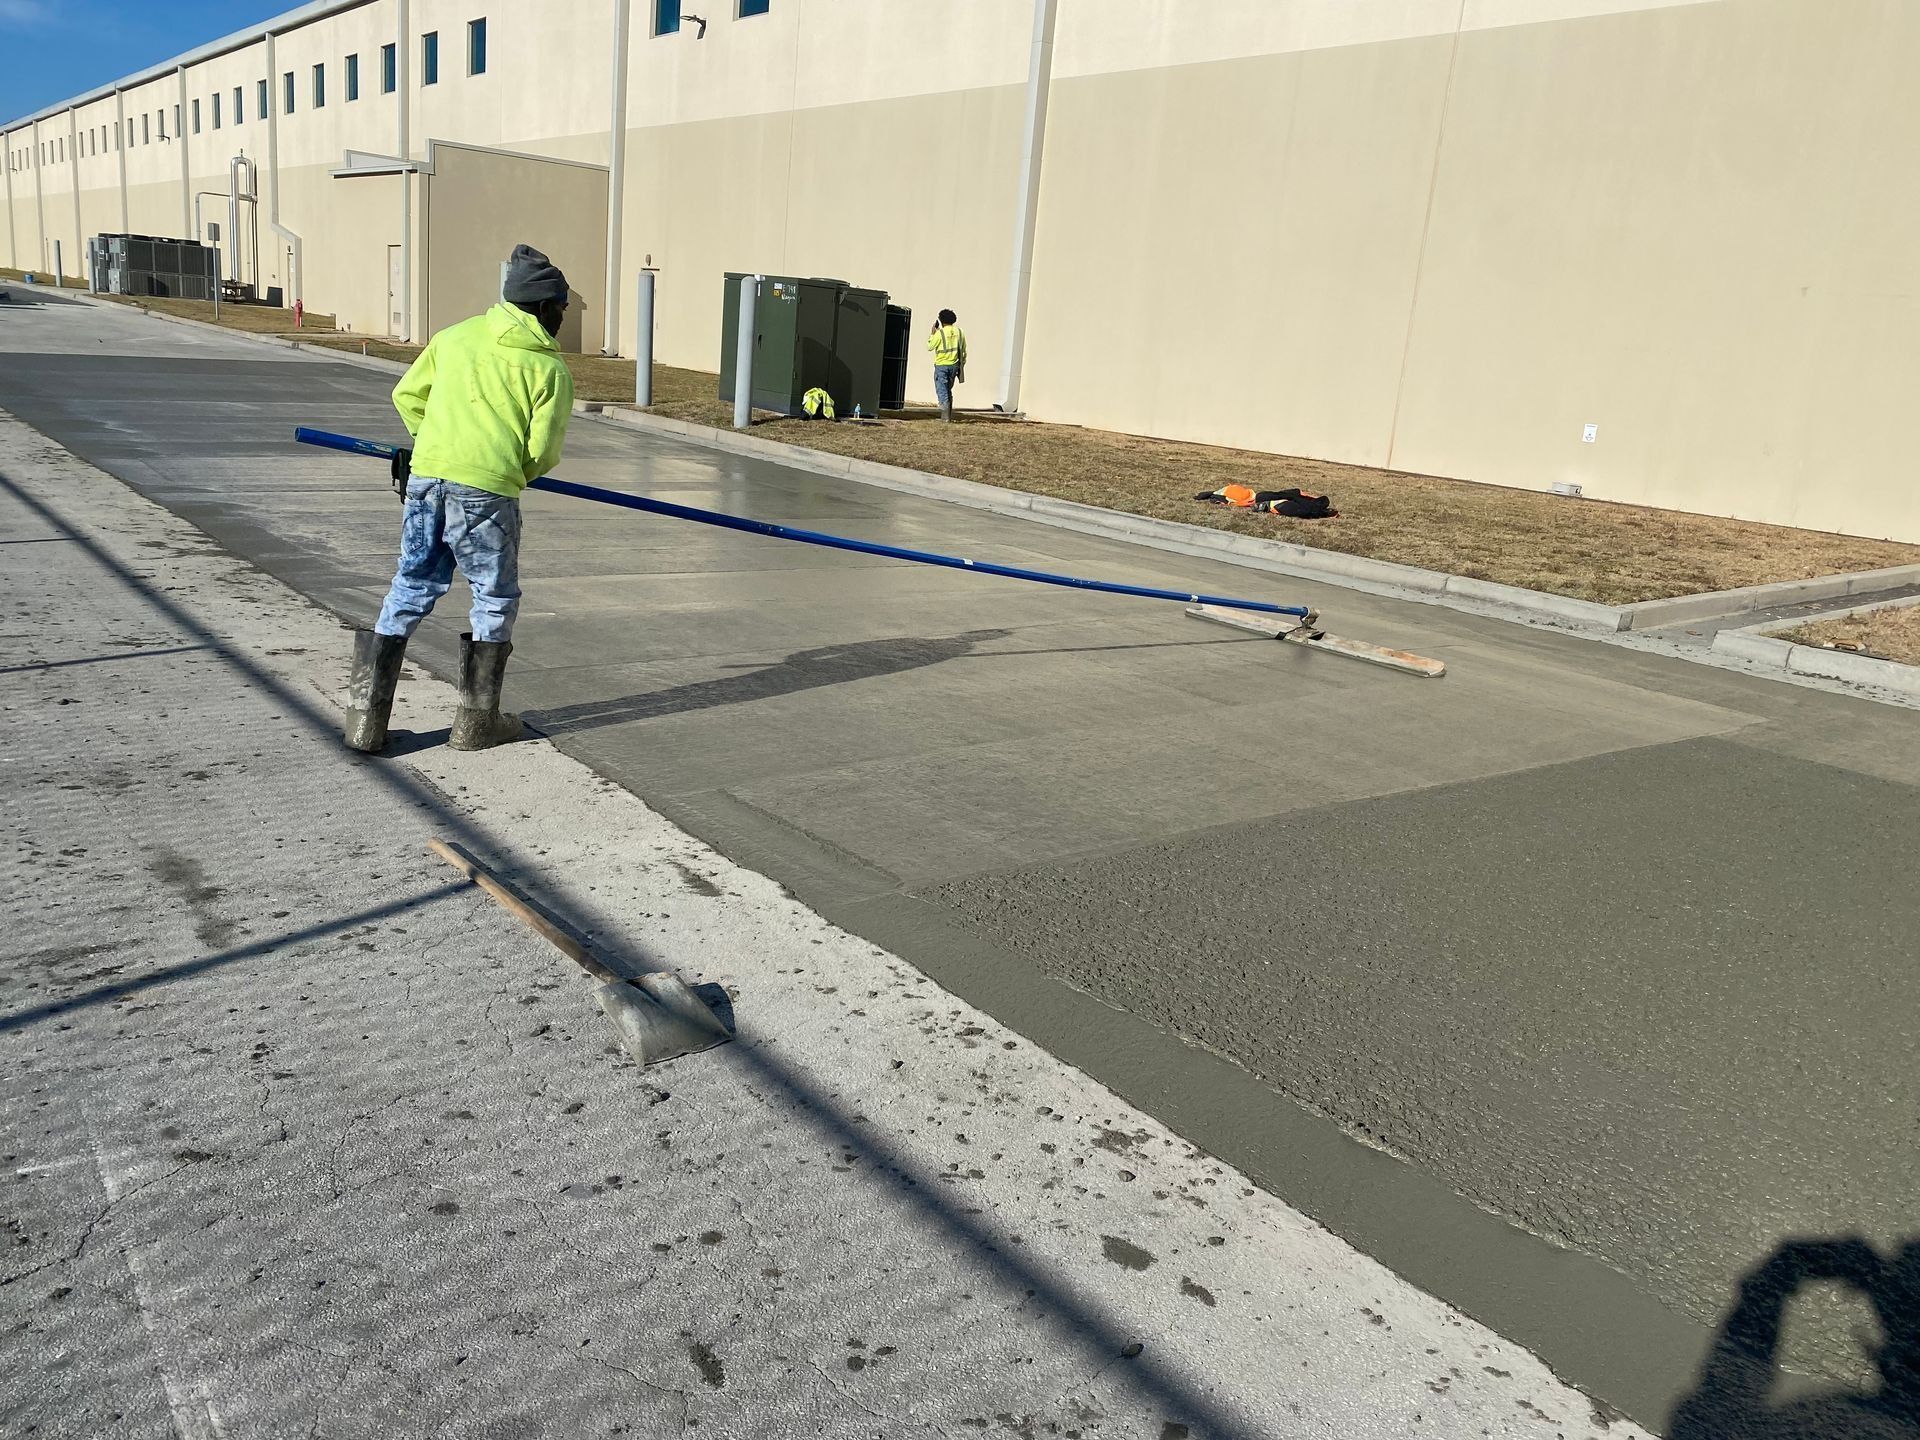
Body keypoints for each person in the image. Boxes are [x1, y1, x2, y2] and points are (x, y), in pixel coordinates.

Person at [342, 243, 575, 754]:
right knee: (492, 594)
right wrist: (508, 472)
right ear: (541, 305)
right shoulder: (548, 370)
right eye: (562, 307)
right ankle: (475, 723)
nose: (564, 317)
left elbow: (407, 396)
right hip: (487, 493)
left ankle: (365, 721)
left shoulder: (454, 338)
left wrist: (434, 448)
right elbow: (542, 451)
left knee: (411, 585)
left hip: (427, 481)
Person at [927, 308, 967, 422]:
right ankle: (947, 416)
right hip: (954, 365)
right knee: (948, 390)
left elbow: (930, 347)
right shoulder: (960, 332)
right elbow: (964, 350)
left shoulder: (940, 333)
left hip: (941, 365)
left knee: (942, 390)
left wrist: (932, 334)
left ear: (940, 320)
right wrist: (961, 364)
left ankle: (945, 418)